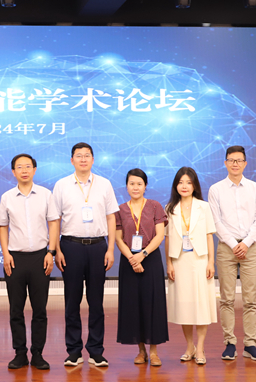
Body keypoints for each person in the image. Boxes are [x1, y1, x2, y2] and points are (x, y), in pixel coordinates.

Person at [51, 142, 118, 368]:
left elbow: (111, 217)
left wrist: (110, 249)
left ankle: (96, 351)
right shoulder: (61, 185)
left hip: (98, 246)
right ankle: (74, 351)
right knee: (72, 301)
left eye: (87, 155)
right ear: (72, 160)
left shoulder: (104, 184)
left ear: (93, 159)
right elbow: (55, 219)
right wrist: (57, 250)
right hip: (70, 246)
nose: (83, 159)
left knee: (96, 302)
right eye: (78, 156)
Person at [0, 154, 58, 371]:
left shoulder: (46, 194)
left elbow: (53, 224)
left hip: (41, 257)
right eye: (19, 167)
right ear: (13, 172)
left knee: (40, 309)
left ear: (34, 170)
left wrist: (51, 252)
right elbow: (3, 227)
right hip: (15, 258)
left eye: (28, 166)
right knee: (16, 309)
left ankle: (38, 354)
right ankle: (20, 353)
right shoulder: (7, 197)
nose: (24, 170)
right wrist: (5, 254)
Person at [207, 145, 256, 361]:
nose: (235, 164)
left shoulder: (255, 188)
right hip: (226, 248)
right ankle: (230, 343)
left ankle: (250, 344)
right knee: (227, 299)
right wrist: (233, 244)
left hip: (251, 248)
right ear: (225, 163)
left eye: (239, 160)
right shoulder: (216, 189)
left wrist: (246, 243)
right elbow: (216, 221)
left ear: (245, 163)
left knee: (251, 300)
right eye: (231, 160)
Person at [115, 168, 168, 366]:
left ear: (145, 186)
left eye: (139, 184)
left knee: (152, 304)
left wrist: (142, 255)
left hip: (150, 259)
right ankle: (141, 351)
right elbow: (118, 239)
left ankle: (154, 352)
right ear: (126, 186)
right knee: (133, 305)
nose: (135, 187)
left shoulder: (155, 206)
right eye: (132, 184)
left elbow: (160, 235)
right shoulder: (120, 209)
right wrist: (132, 259)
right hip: (129, 261)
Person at [166, 167, 216, 365]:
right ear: (175, 186)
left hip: (200, 260)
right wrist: (169, 263)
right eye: (180, 182)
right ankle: (189, 347)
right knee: (184, 306)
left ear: (194, 185)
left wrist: (211, 262)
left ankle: (201, 348)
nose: (184, 186)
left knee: (201, 306)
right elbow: (167, 239)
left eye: (188, 182)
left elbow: (209, 235)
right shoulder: (170, 208)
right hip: (179, 261)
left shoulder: (204, 206)